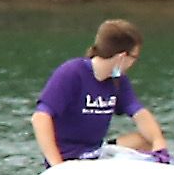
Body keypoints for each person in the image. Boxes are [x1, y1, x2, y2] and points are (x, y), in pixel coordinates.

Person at [32, 20, 166, 164]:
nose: (133, 63)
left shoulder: (118, 80)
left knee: (147, 140)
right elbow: (40, 118)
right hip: (70, 157)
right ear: (121, 57)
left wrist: (159, 144)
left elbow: (139, 112)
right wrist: (57, 166)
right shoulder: (72, 73)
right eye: (134, 58)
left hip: (96, 151)